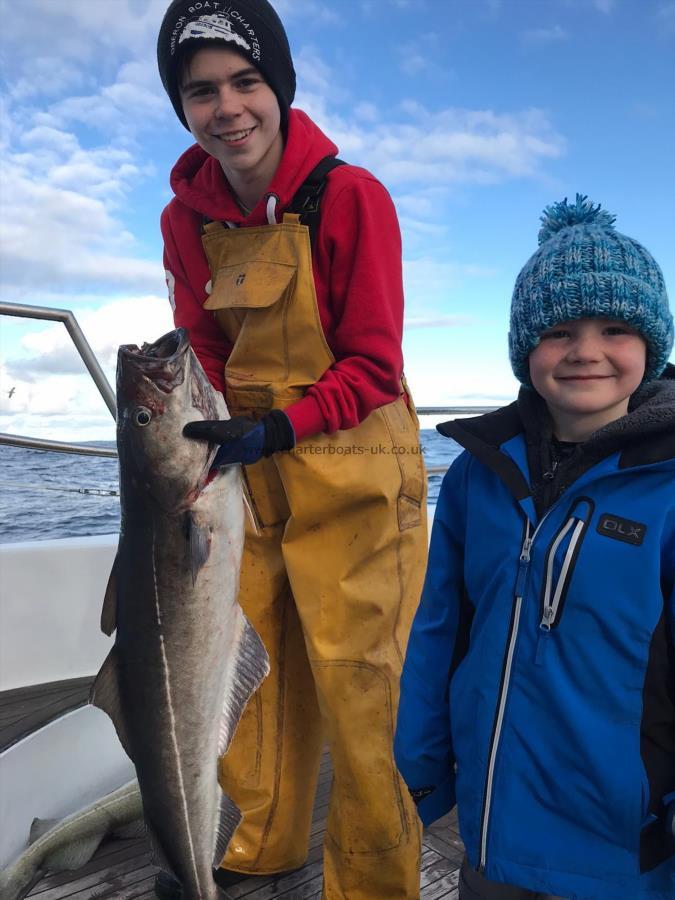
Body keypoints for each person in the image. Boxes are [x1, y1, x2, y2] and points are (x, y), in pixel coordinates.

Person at [155, 2, 428, 898]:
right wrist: (211, 429)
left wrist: (278, 426)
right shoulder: (182, 216)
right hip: (250, 472)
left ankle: (375, 884)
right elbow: (199, 341)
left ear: (278, 88)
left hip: (354, 463)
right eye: (201, 91)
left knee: (361, 692)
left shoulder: (349, 195)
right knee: (256, 668)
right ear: (182, 106)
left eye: (245, 83)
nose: (226, 108)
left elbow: (375, 366)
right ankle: (261, 845)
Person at [394, 195, 675, 899]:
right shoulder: (474, 476)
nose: (585, 351)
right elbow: (440, 629)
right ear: (525, 348)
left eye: (614, 328)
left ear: (652, 344)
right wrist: (420, 761)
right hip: (495, 834)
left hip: (627, 853)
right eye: (557, 330)